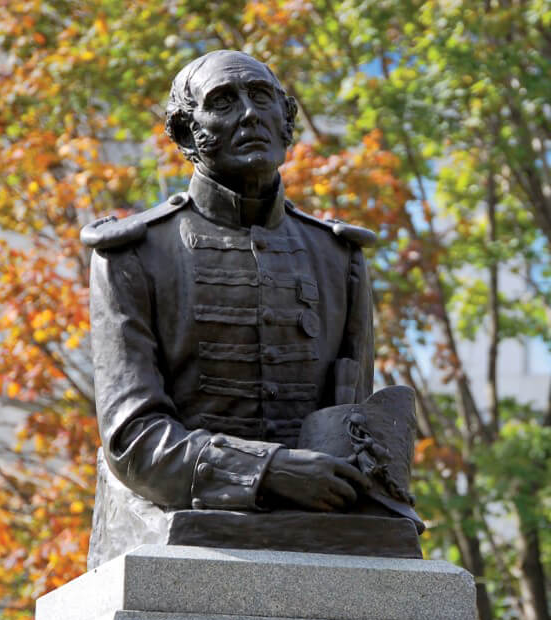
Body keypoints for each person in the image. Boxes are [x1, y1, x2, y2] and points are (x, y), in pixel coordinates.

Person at [83, 50, 376, 514]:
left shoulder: (339, 257)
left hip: (319, 524)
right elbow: (132, 439)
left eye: (262, 97)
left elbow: (356, 427)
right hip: (190, 516)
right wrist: (268, 471)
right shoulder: (134, 254)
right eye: (222, 102)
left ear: (287, 118)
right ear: (185, 131)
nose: (249, 114)